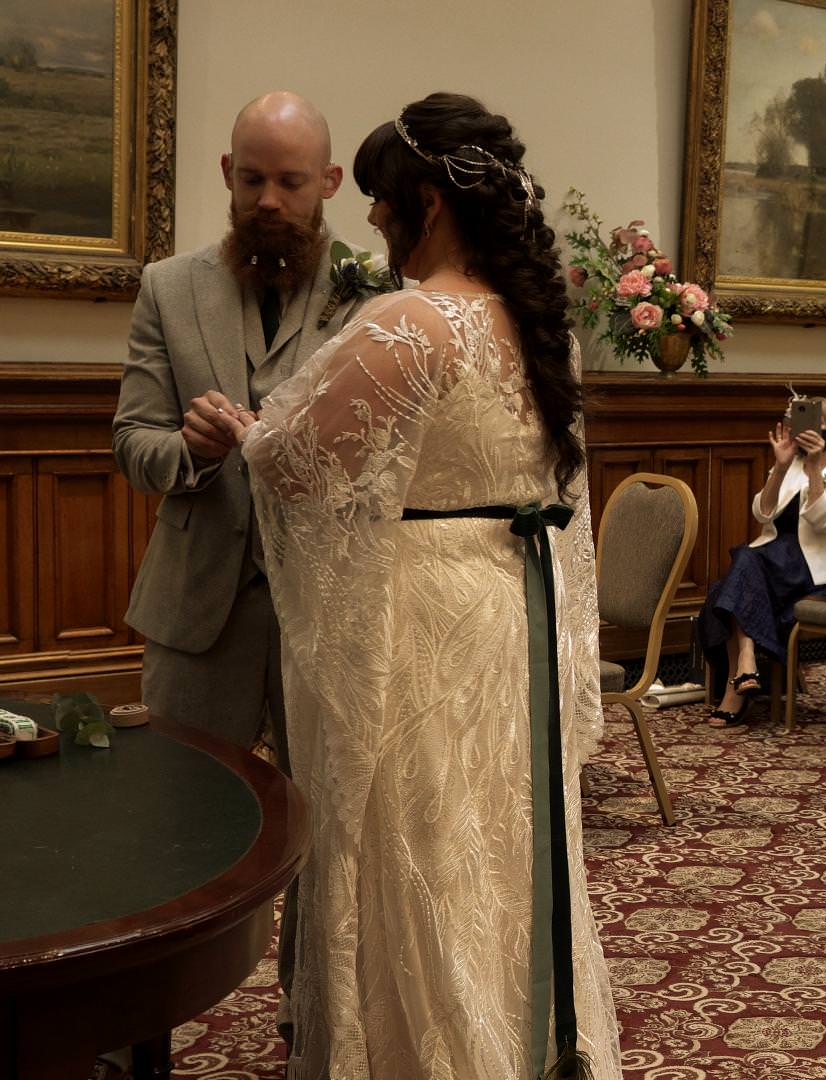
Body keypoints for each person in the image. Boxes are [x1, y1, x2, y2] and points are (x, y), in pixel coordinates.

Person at [211, 93, 621, 1079]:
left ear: (427, 203)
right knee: (504, 844)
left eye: (383, 198)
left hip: (423, 623)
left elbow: (300, 463)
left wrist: (244, 433)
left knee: (418, 851)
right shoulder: (539, 326)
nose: (372, 217)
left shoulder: (411, 322)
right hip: (512, 612)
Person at [110, 90, 373, 1042]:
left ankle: (314, 1019)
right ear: (227, 174)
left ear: (328, 183)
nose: (269, 200)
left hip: (327, 614)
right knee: (174, 824)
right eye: (252, 178)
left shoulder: (375, 295)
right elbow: (131, 441)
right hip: (197, 611)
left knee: (326, 830)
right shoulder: (167, 288)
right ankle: (140, 1033)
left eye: (290, 182)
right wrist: (187, 450)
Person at [698, 398, 826, 725]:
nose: (811, 431)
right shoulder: (789, 465)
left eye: (819, 424)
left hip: (810, 567)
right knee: (730, 580)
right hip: (771, 560)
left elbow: (823, 523)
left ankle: (737, 679)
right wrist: (781, 466)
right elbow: (762, 513)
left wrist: (814, 469)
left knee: (733, 574)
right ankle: (744, 667)